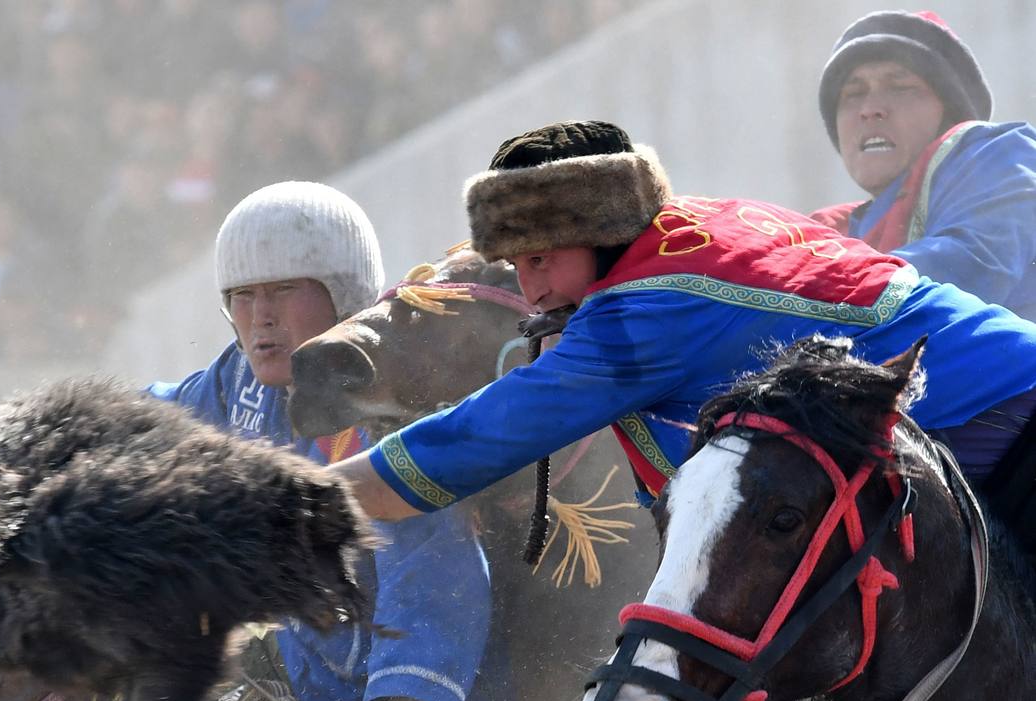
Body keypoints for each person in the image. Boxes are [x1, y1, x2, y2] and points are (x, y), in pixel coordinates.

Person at [0, 181, 524, 701]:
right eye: (242, 297)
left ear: (343, 291)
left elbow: (435, 571)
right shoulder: (234, 389)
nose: (260, 318)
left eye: (284, 291)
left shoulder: (388, 411)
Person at [329, 121, 1036, 555]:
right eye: (515, 262)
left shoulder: (641, 314)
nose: (531, 286)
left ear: (602, 230)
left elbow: (482, 434)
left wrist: (306, 500)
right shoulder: (707, 221)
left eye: (542, 256)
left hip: (999, 425)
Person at [812, 10, 1036, 320]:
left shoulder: (1001, 155)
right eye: (853, 93)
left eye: (901, 87)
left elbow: (974, 264)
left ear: (949, 112)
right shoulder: (827, 233)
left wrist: (817, 293)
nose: (870, 109)